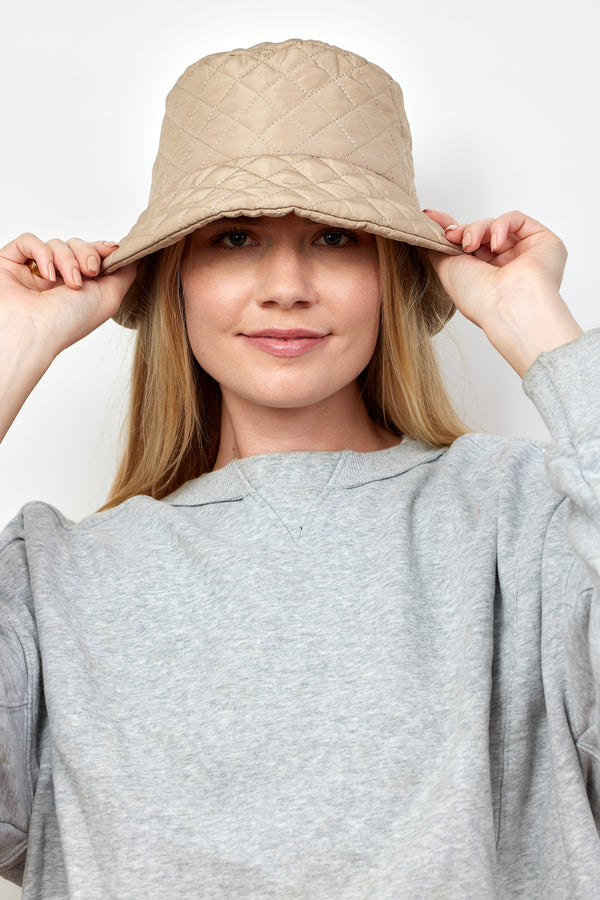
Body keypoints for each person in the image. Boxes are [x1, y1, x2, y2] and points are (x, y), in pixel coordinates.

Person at [0, 37, 597, 899]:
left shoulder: (527, 523)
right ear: (174, 280)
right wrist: (12, 353)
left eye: (335, 235)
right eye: (235, 237)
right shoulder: (51, 580)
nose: (286, 284)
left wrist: (537, 325)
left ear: (393, 274)